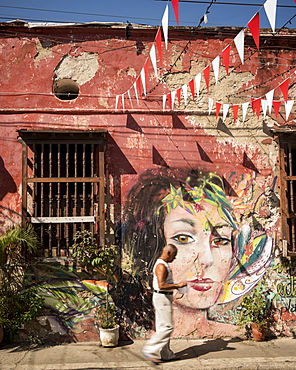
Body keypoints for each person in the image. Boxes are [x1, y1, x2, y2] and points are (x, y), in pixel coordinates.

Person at [123, 167, 272, 336]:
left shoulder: (230, 335)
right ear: (151, 245)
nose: (206, 259)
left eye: (220, 240)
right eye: (183, 238)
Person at [141, 243, 187, 364]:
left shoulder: (163, 264)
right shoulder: (161, 266)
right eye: (174, 255)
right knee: (167, 326)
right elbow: (162, 285)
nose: (174, 258)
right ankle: (149, 350)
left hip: (163, 297)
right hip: (162, 297)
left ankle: (166, 354)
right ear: (168, 253)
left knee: (162, 326)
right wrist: (178, 285)